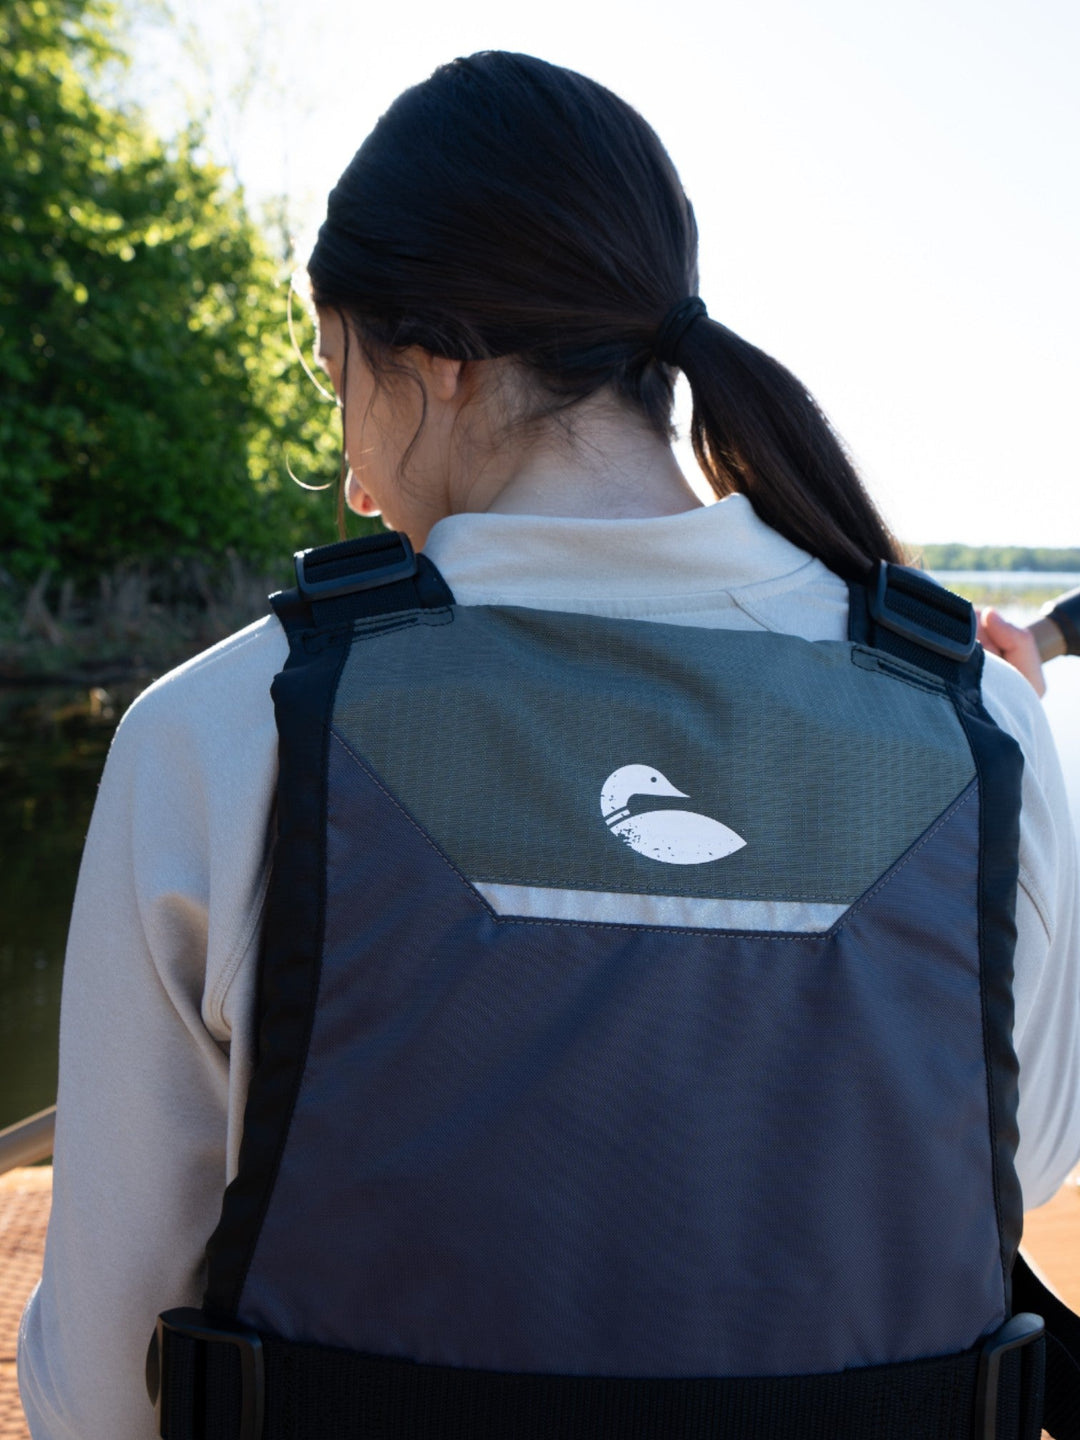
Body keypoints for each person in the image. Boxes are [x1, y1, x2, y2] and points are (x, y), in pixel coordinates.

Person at [18, 50, 1080, 1440]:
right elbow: (1024, 1161)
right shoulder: (980, 722)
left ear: (440, 358)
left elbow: (102, 1383)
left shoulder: (221, 732)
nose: (351, 470)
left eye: (341, 374)